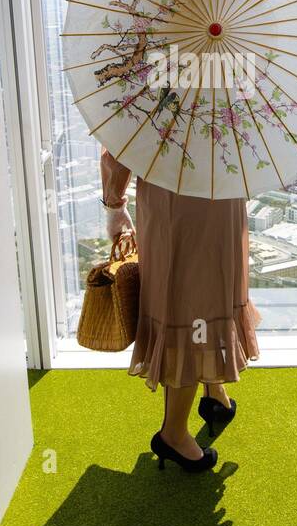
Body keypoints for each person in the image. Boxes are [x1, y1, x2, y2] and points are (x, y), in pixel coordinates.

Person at [100, 147, 260, 472]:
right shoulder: (241, 92)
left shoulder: (150, 92)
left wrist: (114, 204)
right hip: (225, 193)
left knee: (185, 304)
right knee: (208, 296)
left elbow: (120, 141)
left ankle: (201, 399)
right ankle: (187, 418)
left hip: (172, 200)